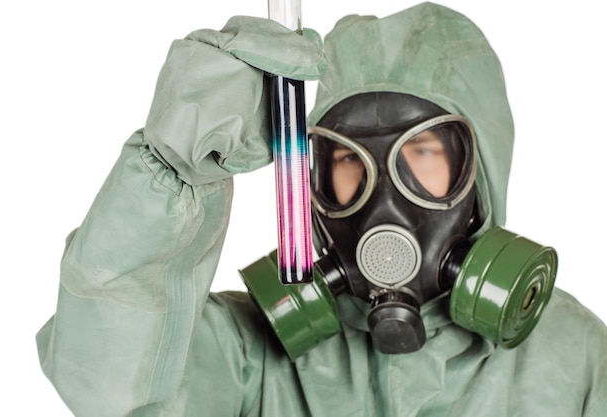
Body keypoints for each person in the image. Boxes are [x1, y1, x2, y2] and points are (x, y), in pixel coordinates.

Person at [36, 3, 607, 416]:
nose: (385, 198)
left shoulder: (575, 355)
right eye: (348, 161)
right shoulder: (253, 352)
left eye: (423, 153)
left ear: (480, 172)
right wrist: (175, 168)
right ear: (311, 176)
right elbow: (106, 386)